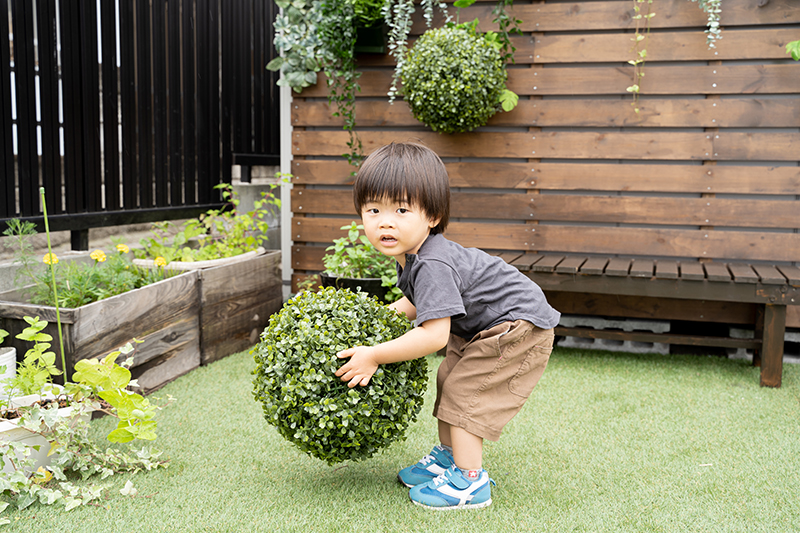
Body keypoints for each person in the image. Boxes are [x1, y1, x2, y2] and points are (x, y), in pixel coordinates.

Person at [335, 142, 560, 510]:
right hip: (483, 325)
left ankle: (470, 483)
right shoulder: (412, 255)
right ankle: (447, 458)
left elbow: (434, 334)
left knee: (465, 394)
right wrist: (379, 320)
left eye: (402, 209)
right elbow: (417, 302)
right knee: (448, 380)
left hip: (516, 326)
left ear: (433, 216)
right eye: (373, 209)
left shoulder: (432, 263)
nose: (385, 221)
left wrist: (374, 355)